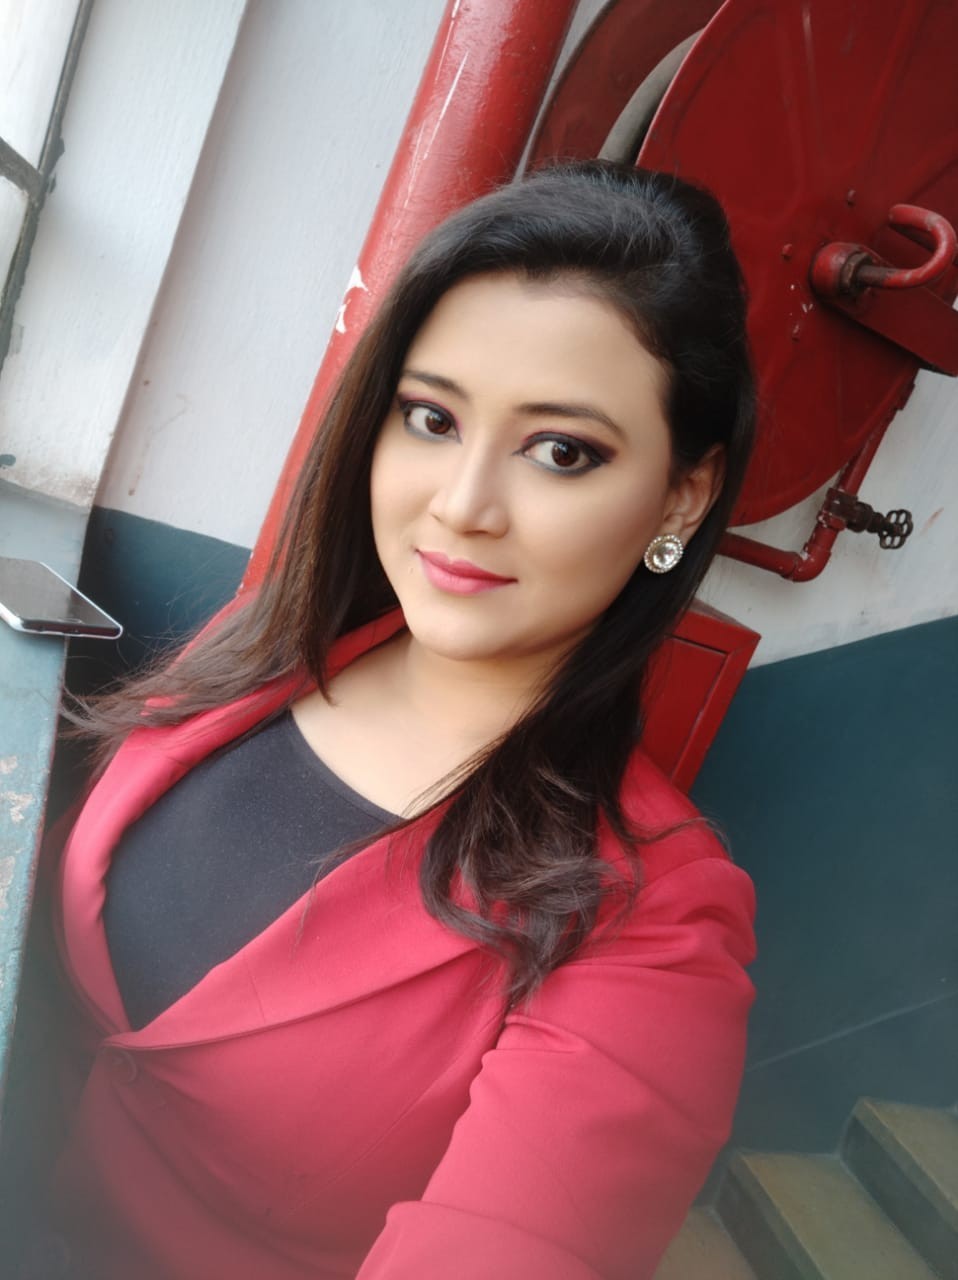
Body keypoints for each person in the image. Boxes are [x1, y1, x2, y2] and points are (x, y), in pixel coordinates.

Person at [35, 161, 757, 1279]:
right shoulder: (268, 654)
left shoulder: (654, 922)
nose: (461, 505)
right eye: (432, 418)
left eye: (562, 450)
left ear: (682, 494)